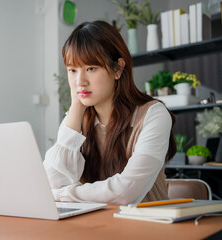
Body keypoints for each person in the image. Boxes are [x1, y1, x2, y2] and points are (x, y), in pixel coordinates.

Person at [43, 21, 176, 205]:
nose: (80, 82)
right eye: (72, 70)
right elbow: (52, 181)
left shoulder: (153, 115)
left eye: (91, 68)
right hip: (95, 228)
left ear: (118, 68)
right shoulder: (77, 119)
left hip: (147, 228)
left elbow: (125, 191)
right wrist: (76, 108)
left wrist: (65, 195)